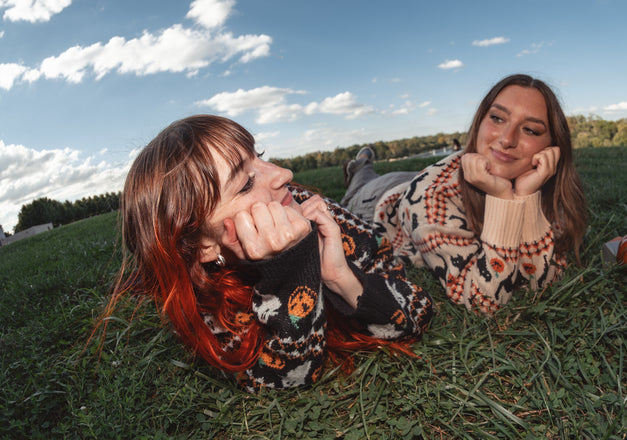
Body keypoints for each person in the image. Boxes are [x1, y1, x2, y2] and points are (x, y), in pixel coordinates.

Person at [104, 115, 432, 391]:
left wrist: (340, 276)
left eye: (259, 154)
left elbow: (416, 314)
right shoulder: (202, 303)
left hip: (371, 203)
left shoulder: (307, 207)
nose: (284, 175)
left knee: (365, 185)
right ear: (204, 246)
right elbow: (287, 377)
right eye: (246, 184)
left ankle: (361, 166)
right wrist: (294, 270)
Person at [342, 74, 586, 316]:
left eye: (531, 130)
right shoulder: (431, 196)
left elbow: (544, 283)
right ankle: (361, 162)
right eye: (498, 118)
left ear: (552, 146)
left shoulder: (545, 184)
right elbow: (483, 302)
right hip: (378, 200)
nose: (507, 139)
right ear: (480, 121)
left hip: (425, 177)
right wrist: (503, 198)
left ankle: (363, 163)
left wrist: (524, 195)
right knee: (360, 182)